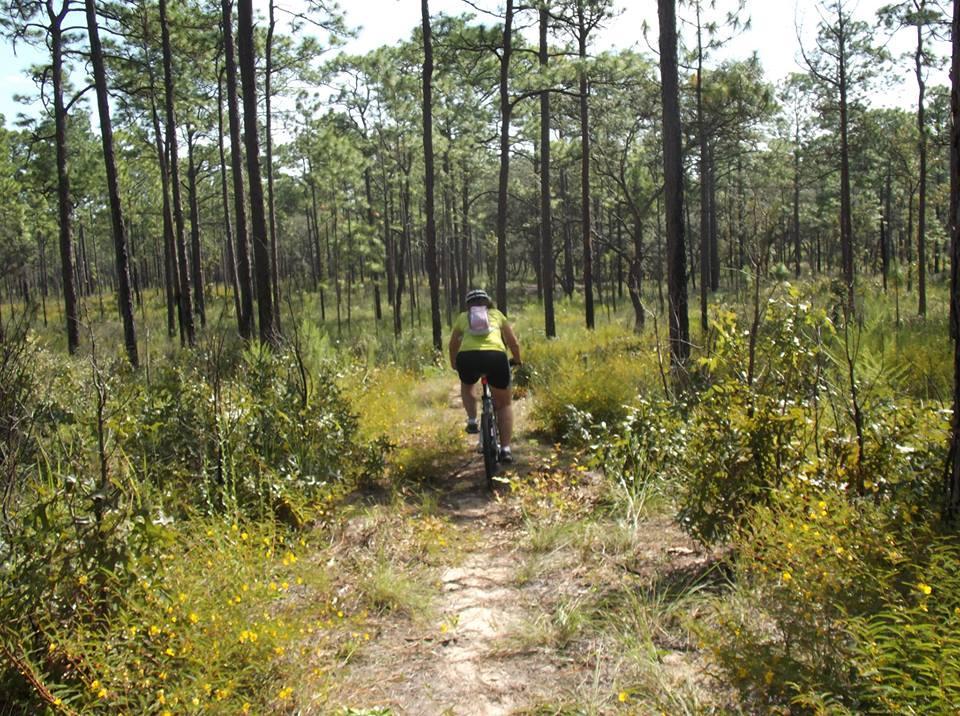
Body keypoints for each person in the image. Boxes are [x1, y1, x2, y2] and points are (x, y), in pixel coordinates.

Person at [448, 289, 522, 463]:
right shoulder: (497, 315)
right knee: (504, 405)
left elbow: (453, 345)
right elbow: (513, 342)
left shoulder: (463, 318)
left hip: (468, 357)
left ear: (468, 306)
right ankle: (505, 449)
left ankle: (472, 419)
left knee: (467, 385)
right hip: (495, 356)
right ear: (488, 303)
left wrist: (454, 364)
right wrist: (517, 360)